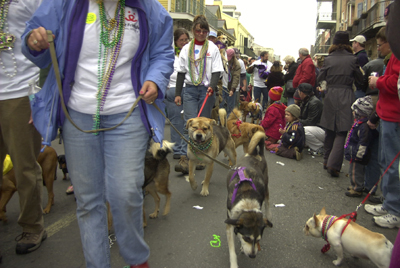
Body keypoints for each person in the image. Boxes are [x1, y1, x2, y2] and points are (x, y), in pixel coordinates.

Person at [22, 1, 174, 267]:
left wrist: (155, 79)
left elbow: (163, 52)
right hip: (78, 115)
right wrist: (34, 42)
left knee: (125, 192)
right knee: (89, 201)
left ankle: (137, 261)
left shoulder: (150, 9)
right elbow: (35, 41)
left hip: (127, 113)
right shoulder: (63, 3)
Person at [0, 0, 45, 256]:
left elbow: (52, 38)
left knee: (24, 166)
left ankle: (32, 226)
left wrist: (39, 98)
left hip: (19, 93)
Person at [174, 15, 223, 174]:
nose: (201, 33)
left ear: (207, 32)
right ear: (193, 31)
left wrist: (212, 86)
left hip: (206, 90)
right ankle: (185, 157)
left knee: (203, 125)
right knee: (189, 123)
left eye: (204, 31)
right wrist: (177, 93)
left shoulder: (213, 49)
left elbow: (216, 70)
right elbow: (181, 72)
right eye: (198, 30)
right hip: (189, 89)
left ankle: (201, 157)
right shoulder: (186, 48)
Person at [365, 22, 400, 229]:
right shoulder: (392, 56)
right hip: (387, 114)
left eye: (380, 45)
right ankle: (389, 203)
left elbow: (395, 83)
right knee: (385, 161)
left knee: (391, 164)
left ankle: (394, 210)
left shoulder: (397, 56)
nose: (378, 48)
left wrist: (377, 82)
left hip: (394, 116)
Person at [317, 31, 363, 177]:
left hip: (331, 94)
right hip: (346, 94)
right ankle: (333, 164)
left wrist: (326, 85)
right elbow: (360, 80)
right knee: (342, 130)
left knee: (330, 128)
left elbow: (320, 76)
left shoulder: (329, 59)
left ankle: (326, 160)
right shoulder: (352, 59)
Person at [166, 28, 189, 159]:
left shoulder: (191, 54)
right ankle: (177, 149)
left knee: (188, 121)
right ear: (175, 42)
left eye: (186, 39)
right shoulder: (170, 56)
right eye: (181, 40)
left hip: (189, 89)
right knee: (176, 121)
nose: (184, 42)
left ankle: (186, 149)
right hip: (173, 90)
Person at [344, 96, 374, 197]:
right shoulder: (359, 123)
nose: (352, 112)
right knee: (353, 170)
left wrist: (359, 154)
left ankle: (357, 188)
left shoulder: (363, 126)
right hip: (354, 151)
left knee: (356, 171)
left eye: (354, 111)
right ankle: (355, 185)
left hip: (357, 154)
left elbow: (363, 142)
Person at [297, 83, 324, 156]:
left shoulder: (314, 103)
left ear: (301, 92)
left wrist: (296, 121)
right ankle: (312, 144)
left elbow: (311, 122)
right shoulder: (307, 100)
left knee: (303, 130)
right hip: (317, 128)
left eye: (298, 92)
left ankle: (319, 147)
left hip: (321, 129)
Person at [260, 86, 286, 150]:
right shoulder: (281, 106)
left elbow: (268, 121)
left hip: (274, 132)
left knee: (267, 144)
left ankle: (280, 146)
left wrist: (261, 125)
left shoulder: (273, 108)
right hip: (279, 130)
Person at [221, 48, 241, 117]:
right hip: (222, 86)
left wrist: (232, 89)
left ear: (233, 56)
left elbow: (236, 77)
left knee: (230, 107)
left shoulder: (237, 64)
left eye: (230, 57)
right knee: (221, 105)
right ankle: (220, 122)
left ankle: (228, 123)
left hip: (230, 87)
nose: (228, 59)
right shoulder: (222, 60)